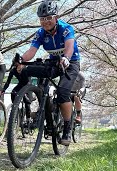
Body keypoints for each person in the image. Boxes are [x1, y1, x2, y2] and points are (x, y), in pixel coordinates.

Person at [18, 1, 81, 145]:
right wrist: (21, 60)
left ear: (56, 17)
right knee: (38, 78)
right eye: (42, 19)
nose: (45, 22)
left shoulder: (66, 29)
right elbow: (31, 52)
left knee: (63, 92)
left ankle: (66, 127)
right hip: (54, 63)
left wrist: (66, 58)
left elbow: (69, 47)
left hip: (71, 62)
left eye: (48, 18)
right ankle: (45, 110)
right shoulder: (40, 33)